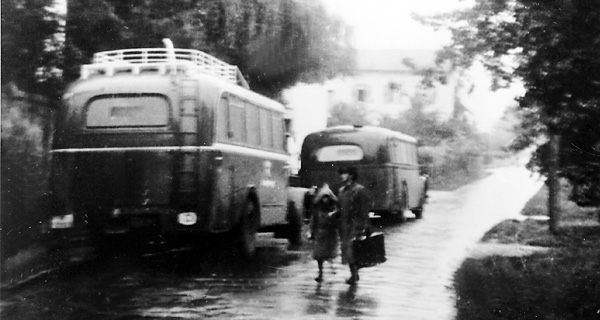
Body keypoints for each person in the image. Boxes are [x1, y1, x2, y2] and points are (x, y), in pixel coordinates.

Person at [337, 166, 371, 285]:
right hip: (344, 225)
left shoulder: (359, 190)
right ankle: (354, 274)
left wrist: (365, 225)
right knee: (347, 250)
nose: (342, 176)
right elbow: (339, 208)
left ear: (351, 175)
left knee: (353, 250)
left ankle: (354, 275)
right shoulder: (342, 191)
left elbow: (364, 209)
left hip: (355, 224)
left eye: (344, 173)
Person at [309, 184, 339, 283]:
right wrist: (312, 232)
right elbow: (313, 221)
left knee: (329, 254)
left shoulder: (334, 209)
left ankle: (331, 267)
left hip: (330, 234)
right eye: (323, 197)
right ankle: (320, 273)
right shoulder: (317, 210)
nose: (325, 199)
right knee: (319, 256)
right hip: (320, 234)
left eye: (327, 197)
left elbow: (338, 222)